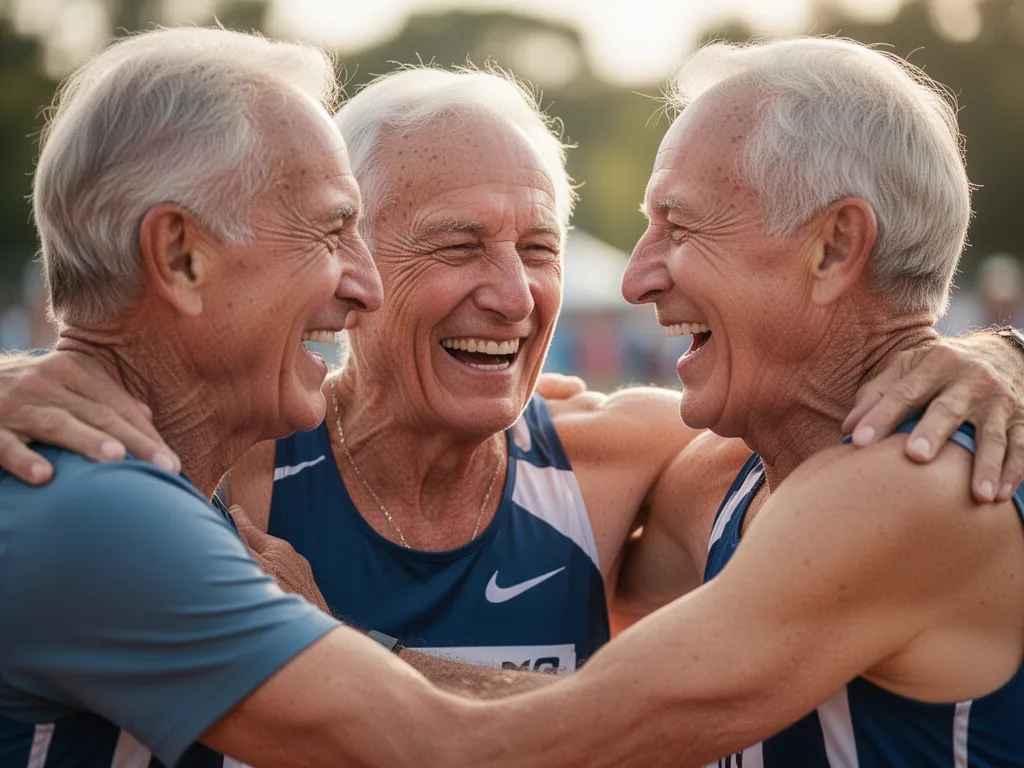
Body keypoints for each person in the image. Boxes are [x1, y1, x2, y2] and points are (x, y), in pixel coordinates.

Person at [5, 63, 1024, 675]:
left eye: (538, 248)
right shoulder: (225, 466)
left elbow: (847, 412)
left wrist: (998, 353)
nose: (511, 293)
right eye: (456, 247)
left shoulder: (620, 463)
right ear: (351, 264)